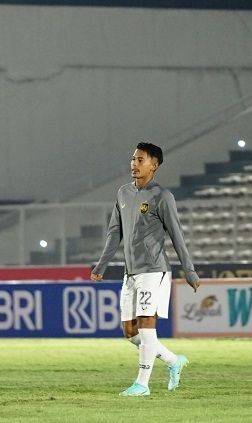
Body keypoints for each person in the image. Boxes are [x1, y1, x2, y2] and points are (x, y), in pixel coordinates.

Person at [91, 142, 199, 397]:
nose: (134, 164)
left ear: (155, 165)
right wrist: (101, 264)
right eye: (133, 159)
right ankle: (174, 361)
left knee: (146, 328)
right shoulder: (123, 193)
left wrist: (189, 270)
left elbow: (177, 235)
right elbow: (114, 233)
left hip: (154, 271)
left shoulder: (162, 196)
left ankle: (142, 384)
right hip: (131, 273)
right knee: (130, 333)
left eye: (140, 160)